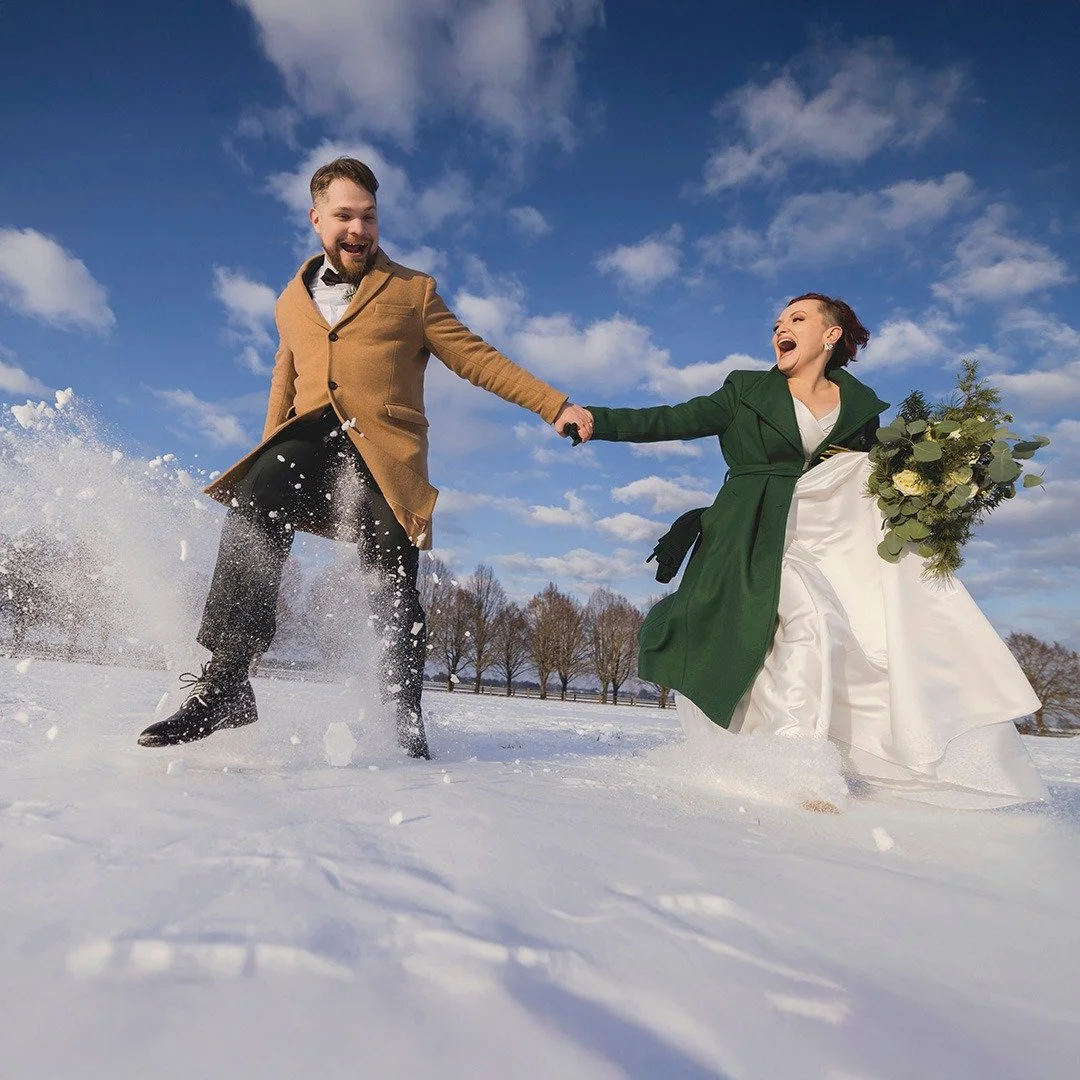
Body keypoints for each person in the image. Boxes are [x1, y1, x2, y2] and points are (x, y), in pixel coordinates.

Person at [138, 157, 593, 757]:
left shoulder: (412, 291)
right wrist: (266, 452)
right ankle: (226, 680)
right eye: (345, 216)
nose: (359, 229)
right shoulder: (289, 300)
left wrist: (551, 403)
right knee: (256, 498)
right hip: (309, 443)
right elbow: (285, 379)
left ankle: (401, 717)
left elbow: (476, 357)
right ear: (317, 219)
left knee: (391, 579)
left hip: (383, 455)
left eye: (369, 217)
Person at [575, 294, 1047, 809]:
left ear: (831, 335)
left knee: (833, 633)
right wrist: (595, 420)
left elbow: (878, 478)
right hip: (752, 533)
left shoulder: (861, 408)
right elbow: (669, 419)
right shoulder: (744, 390)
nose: (782, 327)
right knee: (806, 620)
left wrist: (946, 478)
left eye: (797, 318)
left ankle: (797, 755)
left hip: (825, 541)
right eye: (778, 322)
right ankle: (791, 764)